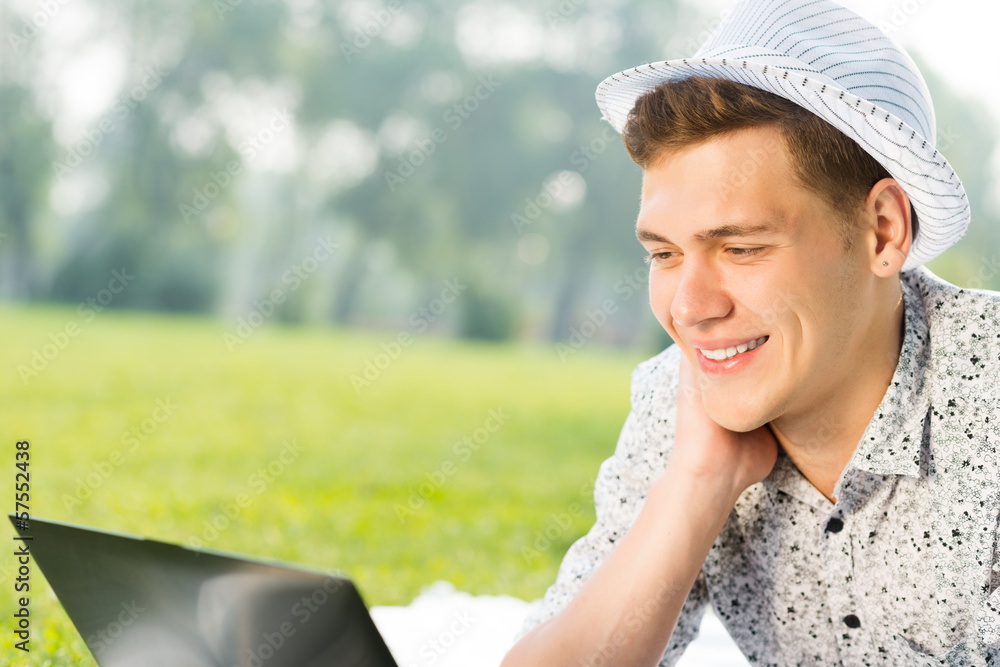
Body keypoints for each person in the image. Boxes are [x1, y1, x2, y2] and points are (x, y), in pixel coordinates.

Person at [501, 0, 1000, 665]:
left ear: (883, 230)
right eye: (665, 254)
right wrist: (697, 482)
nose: (689, 308)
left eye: (740, 249)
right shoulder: (681, 399)